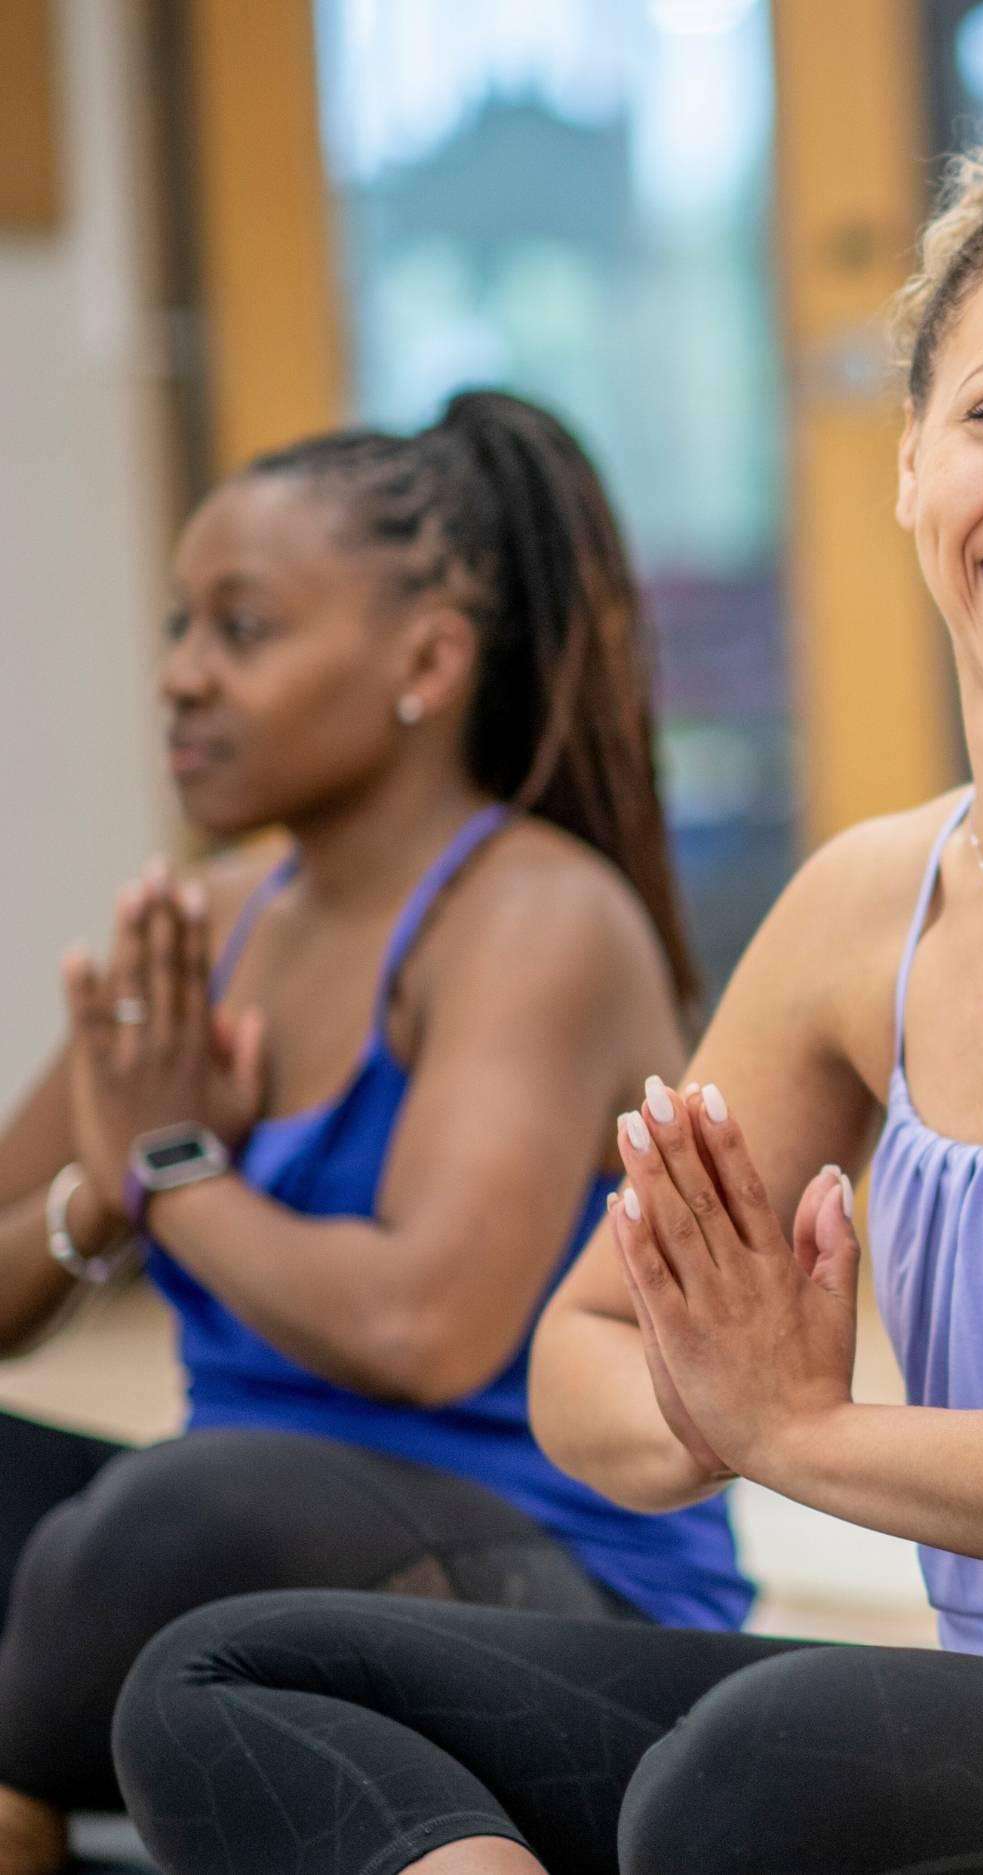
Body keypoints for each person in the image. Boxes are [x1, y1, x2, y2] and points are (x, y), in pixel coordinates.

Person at [114, 119, 983, 1875]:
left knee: (766, 1774)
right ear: (911, 463)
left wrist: (802, 1432)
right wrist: (718, 1399)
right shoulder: (865, 906)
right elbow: (584, 1356)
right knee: (231, 1675)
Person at [0, 391, 751, 1875]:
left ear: (425, 661)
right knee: (164, 1517)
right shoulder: (209, 921)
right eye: (177, 629)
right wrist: (108, 1187)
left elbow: (423, 1330)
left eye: (244, 630)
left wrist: (176, 1174)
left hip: (545, 1595)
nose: (183, 680)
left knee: (176, 1513)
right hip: (226, 1562)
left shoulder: (538, 923)